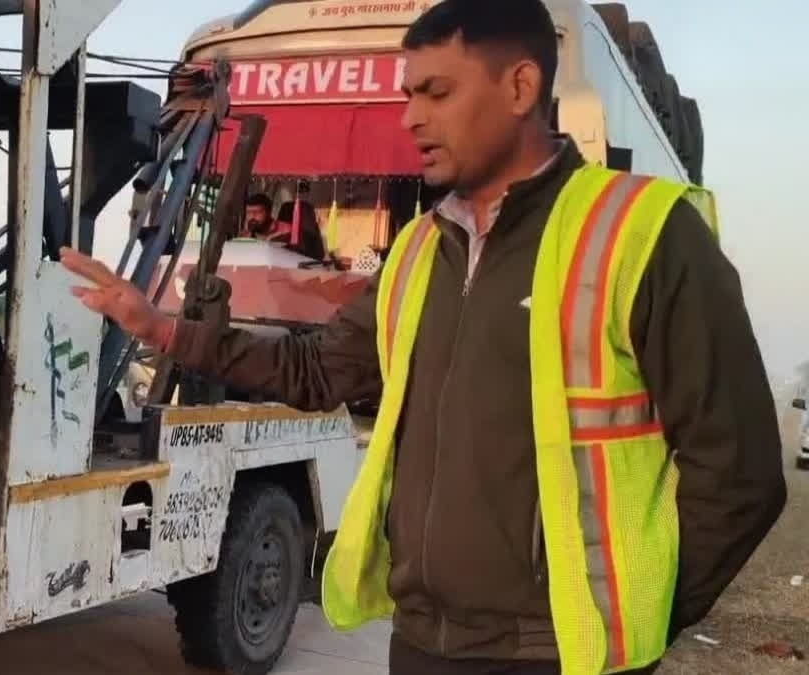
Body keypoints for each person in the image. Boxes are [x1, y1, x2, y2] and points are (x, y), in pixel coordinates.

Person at [59, 0, 786, 673]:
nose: (410, 117)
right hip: (424, 644)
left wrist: (647, 616)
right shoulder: (416, 252)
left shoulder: (643, 235)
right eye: (408, 94)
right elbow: (319, 370)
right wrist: (164, 329)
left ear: (521, 87)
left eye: (436, 92)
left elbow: (741, 475)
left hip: (561, 655)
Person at [242, 193, 327, 260]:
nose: (252, 217)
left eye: (257, 212)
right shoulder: (245, 235)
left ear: (269, 212)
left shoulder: (287, 232)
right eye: (249, 213)